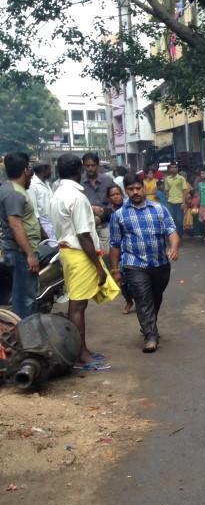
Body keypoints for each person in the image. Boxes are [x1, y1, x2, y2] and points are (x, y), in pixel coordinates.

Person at [50, 153, 120, 371]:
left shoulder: (58, 193)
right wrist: (99, 266)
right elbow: (83, 235)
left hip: (68, 253)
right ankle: (81, 355)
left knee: (77, 303)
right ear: (79, 170)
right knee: (78, 305)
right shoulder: (76, 197)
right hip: (79, 254)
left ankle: (81, 351)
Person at [108, 175, 180, 353]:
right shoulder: (118, 215)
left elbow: (171, 230)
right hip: (134, 264)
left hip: (160, 263)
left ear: (144, 188)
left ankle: (149, 324)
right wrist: (115, 269)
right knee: (142, 297)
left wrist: (174, 247)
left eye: (138, 188)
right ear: (126, 191)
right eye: (131, 189)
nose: (135, 192)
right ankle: (150, 336)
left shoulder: (159, 209)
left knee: (156, 296)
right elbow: (115, 244)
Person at [0, 152, 42, 318]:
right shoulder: (14, 193)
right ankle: (24, 338)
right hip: (20, 252)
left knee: (22, 297)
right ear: (25, 170)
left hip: (17, 250)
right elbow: (16, 225)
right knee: (25, 300)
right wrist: (30, 254)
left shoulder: (8, 188)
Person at [102, 184, 134, 315]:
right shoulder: (109, 212)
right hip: (116, 249)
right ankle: (129, 301)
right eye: (113, 195)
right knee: (121, 278)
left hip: (130, 246)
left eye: (118, 194)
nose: (116, 197)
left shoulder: (130, 208)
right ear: (109, 198)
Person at [163, 161, 189, 235]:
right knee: (171, 220)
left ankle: (179, 235)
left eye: (175, 167)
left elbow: (184, 191)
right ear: (169, 169)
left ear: (177, 169)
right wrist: (167, 199)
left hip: (180, 202)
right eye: (172, 167)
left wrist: (184, 202)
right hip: (170, 202)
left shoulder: (181, 178)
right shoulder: (167, 179)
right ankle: (174, 235)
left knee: (179, 220)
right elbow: (166, 190)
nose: (173, 169)